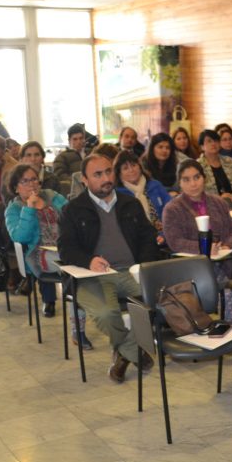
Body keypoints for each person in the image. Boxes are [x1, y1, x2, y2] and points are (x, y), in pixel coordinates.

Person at [58, 153, 160, 383]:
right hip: (94, 275)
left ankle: (122, 354)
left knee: (162, 299)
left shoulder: (129, 203)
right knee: (105, 313)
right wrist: (89, 260)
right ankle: (133, 351)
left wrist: (141, 265)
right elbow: (66, 248)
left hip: (130, 271)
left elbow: (148, 237)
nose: (106, 178)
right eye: (97, 174)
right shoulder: (73, 210)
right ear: (84, 180)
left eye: (108, 171)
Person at [162, 160, 232, 322]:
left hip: (224, 262)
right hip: (192, 267)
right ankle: (228, 335)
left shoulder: (218, 202)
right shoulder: (172, 209)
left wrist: (226, 245)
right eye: (186, 179)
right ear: (180, 183)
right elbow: (175, 242)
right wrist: (204, 248)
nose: (193, 183)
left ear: (204, 178)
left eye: (197, 177)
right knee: (228, 294)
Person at [4, 165, 67, 319]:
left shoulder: (52, 196)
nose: (31, 184)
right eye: (24, 181)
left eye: (34, 179)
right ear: (16, 188)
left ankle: (74, 299)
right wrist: (30, 208)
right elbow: (20, 236)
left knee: (71, 258)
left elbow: (71, 215)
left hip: (64, 245)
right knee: (69, 262)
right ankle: (52, 300)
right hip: (37, 251)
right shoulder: (14, 209)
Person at [113, 151, 171, 244]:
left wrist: (164, 234)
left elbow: (171, 211)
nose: (131, 170)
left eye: (133, 165)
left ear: (140, 167)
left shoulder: (155, 185)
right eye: (125, 168)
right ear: (119, 174)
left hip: (166, 235)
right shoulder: (117, 195)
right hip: (137, 242)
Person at [197, 129, 232, 203]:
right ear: (202, 146)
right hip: (211, 206)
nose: (213, 143)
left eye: (216, 140)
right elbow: (197, 192)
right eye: (209, 141)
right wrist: (219, 199)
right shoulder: (197, 166)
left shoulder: (229, 161)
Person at [52, 123, 88, 188]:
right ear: (69, 141)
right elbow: (60, 176)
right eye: (75, 139)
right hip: (74, 188)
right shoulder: (61, 157)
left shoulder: (91, 153)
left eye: (81, 138)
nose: (79, 141)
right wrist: (78, 181)